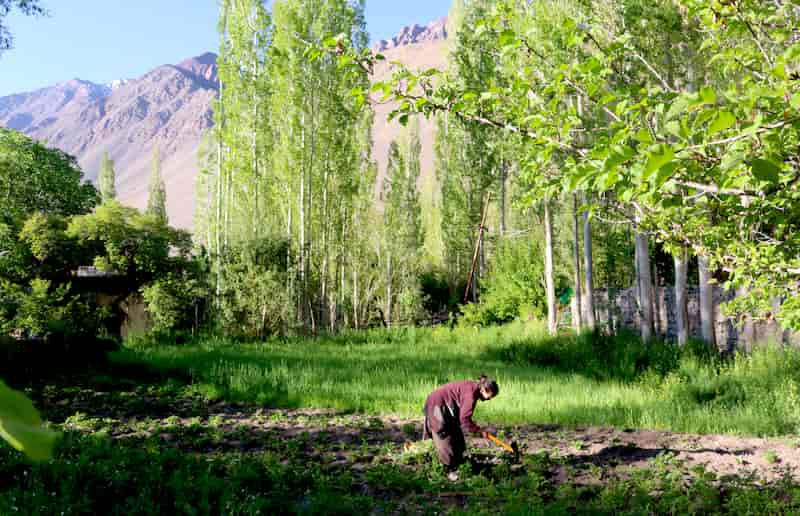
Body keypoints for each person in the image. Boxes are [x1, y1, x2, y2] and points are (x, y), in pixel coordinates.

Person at [422, 375, 499, 476]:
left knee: (457, 436)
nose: (490, 399)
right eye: (490, 396)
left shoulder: (474, 389)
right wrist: (479, 431)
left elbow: (462, 417)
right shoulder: (471, 394)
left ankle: (460, 462)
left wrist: (477, 430)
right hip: (437, 406)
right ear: (484, 389)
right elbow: (465, 419)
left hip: (446, 407)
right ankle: (449, 470)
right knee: (444, 436)